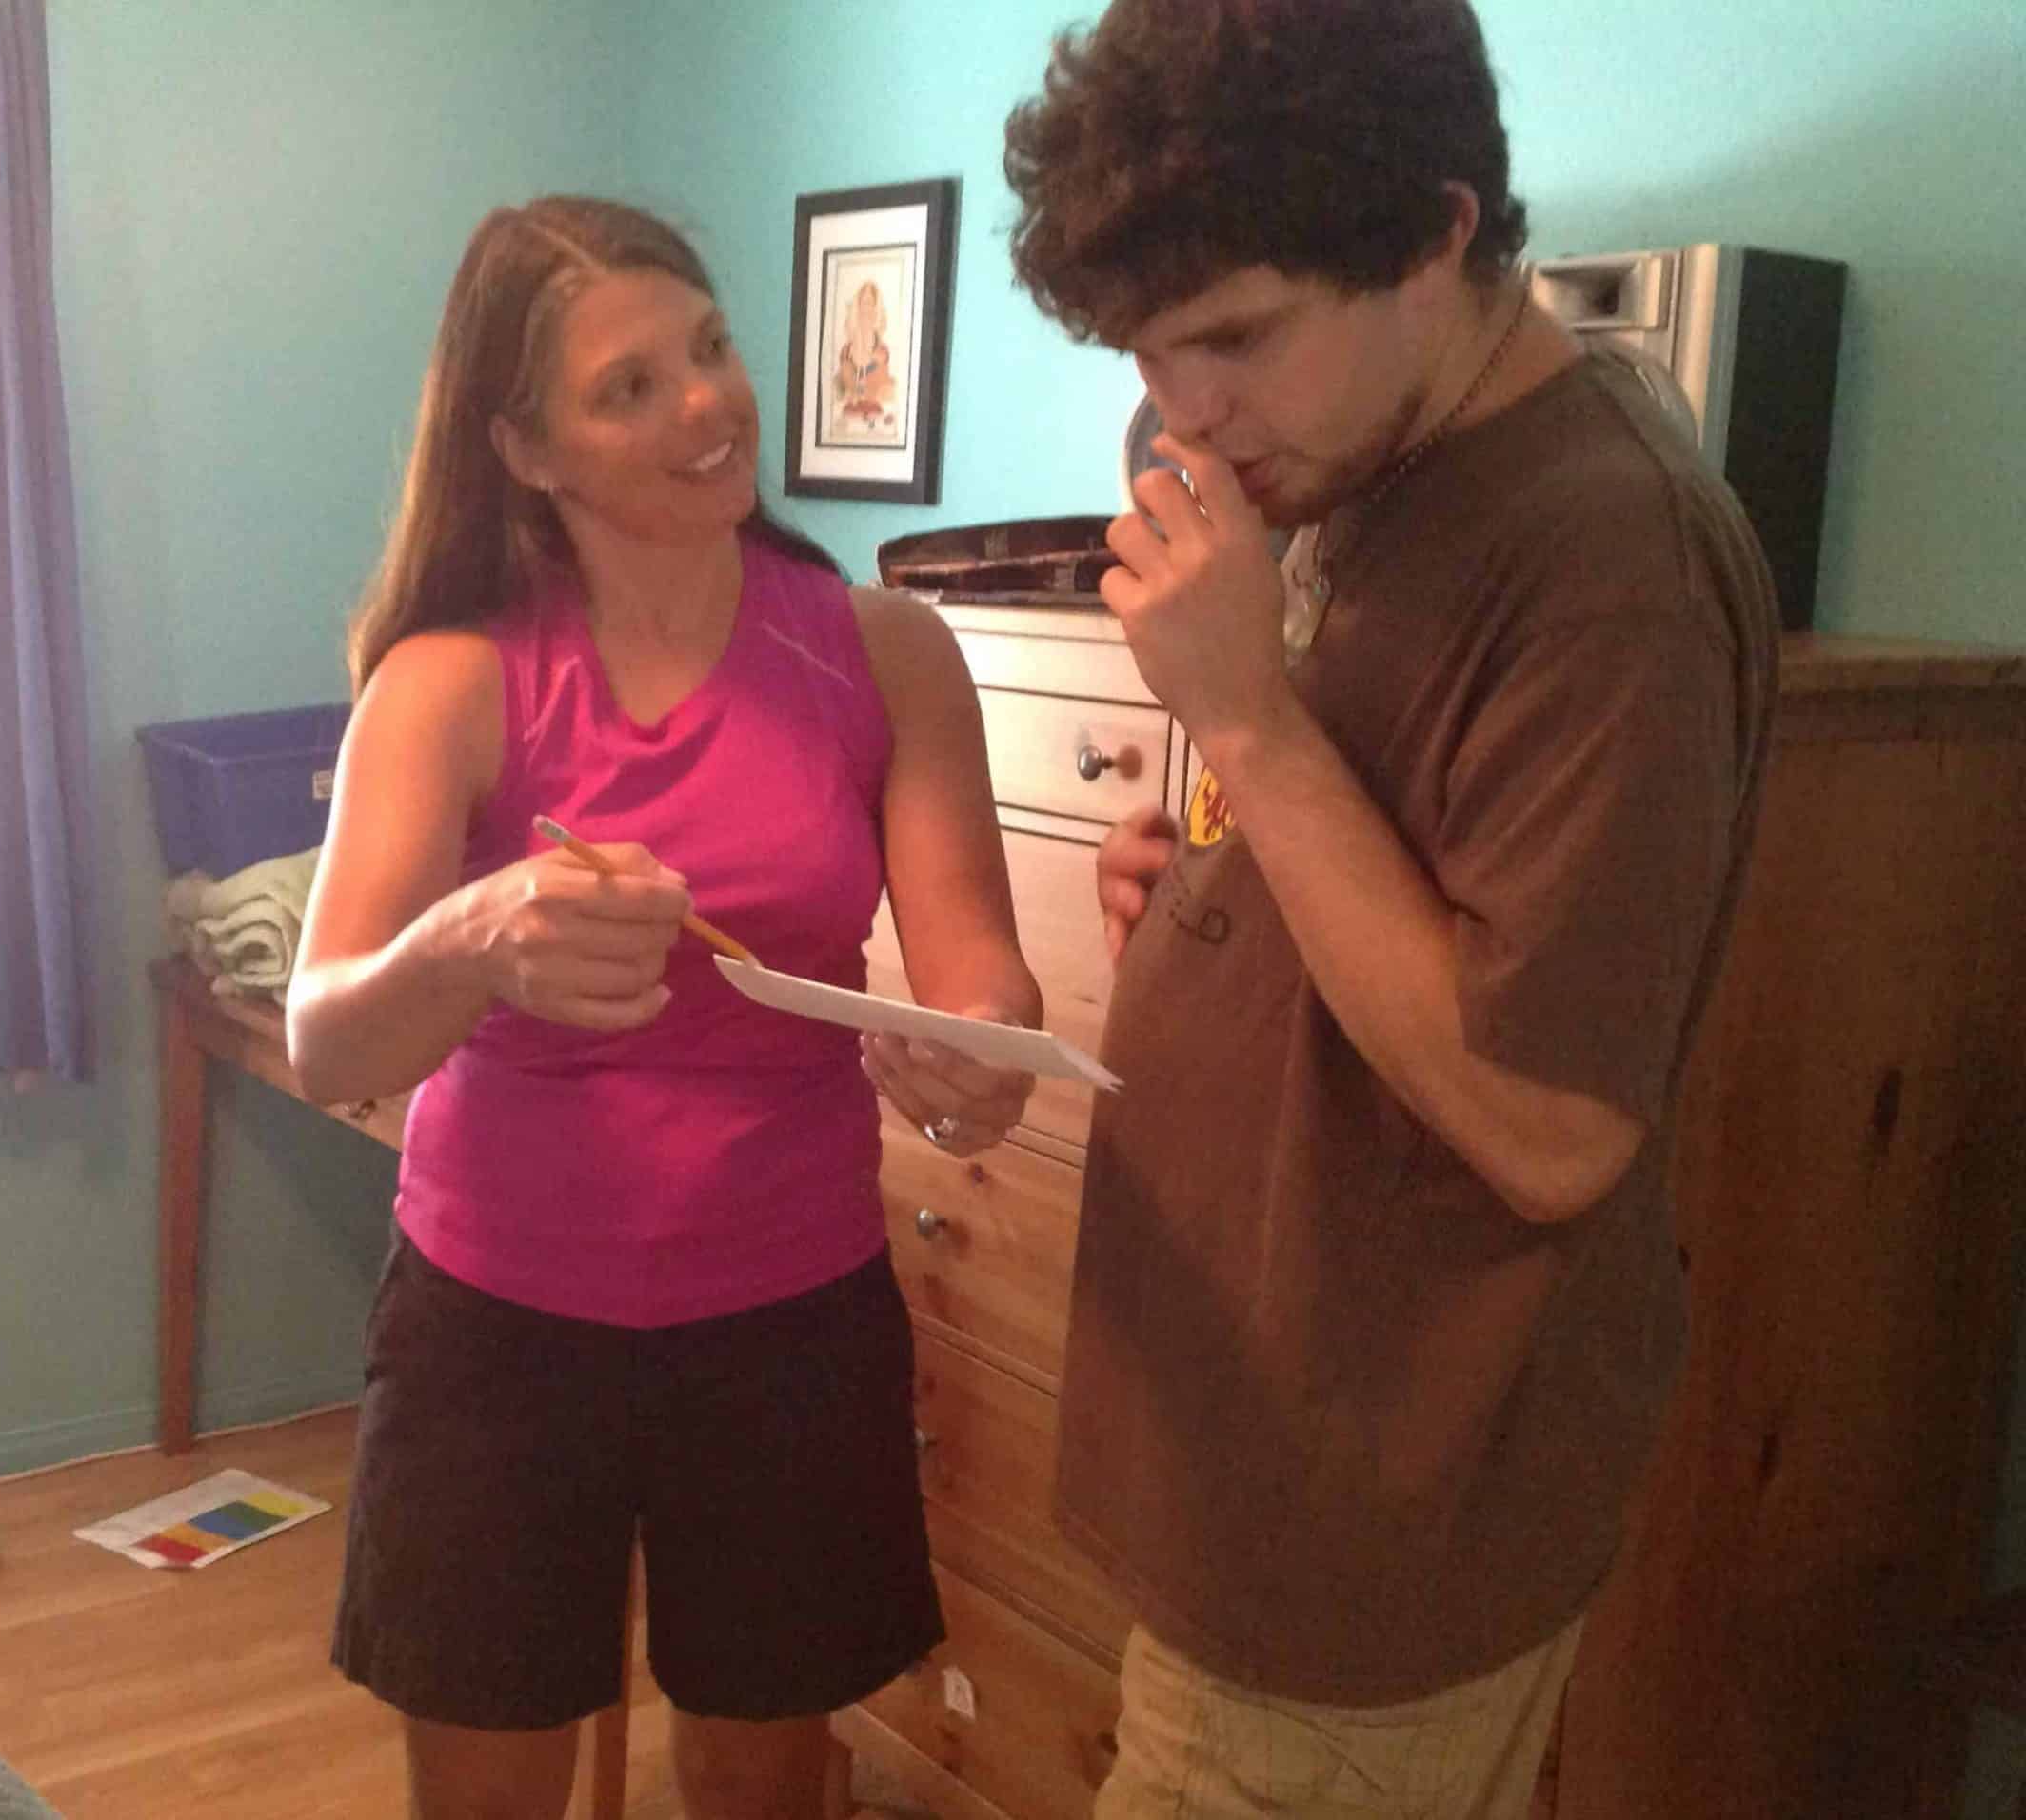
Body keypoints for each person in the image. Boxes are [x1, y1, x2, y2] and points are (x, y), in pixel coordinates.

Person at [1000, 3, 1779, 1815]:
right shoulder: (1362, 466)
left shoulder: (1606, 561)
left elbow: (1550, 1123)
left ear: (1439, 232)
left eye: (1237, 338)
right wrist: (1209, 881)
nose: (1185, 410)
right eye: (1149, 352)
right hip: (1254, 1466)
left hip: (1366, 1525)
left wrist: (1247, 724)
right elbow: (1388, 856)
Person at [286, 195, 1043, 1820]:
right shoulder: (451, 684)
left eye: (708, 350)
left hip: (791, 1319)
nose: (706, 404)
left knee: (765, 1787)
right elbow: (325, 1036)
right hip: (499, 1324)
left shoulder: (885, 655)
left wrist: (973, 1052)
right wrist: (475, 939)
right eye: (629, 387)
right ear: (527, 447)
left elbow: (982, 966)